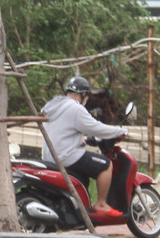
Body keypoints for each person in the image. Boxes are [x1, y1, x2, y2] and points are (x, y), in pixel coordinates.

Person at [41, 75, 129, 217]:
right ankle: (101, 204)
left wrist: (82, 140)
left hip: (50, 155)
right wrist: (120, 131)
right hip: (66, 156)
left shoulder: (53, 105)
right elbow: (96, 128)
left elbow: (63, 130)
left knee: (84, 174)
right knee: (105, 165)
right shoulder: (75, 108)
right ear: (83, 95)